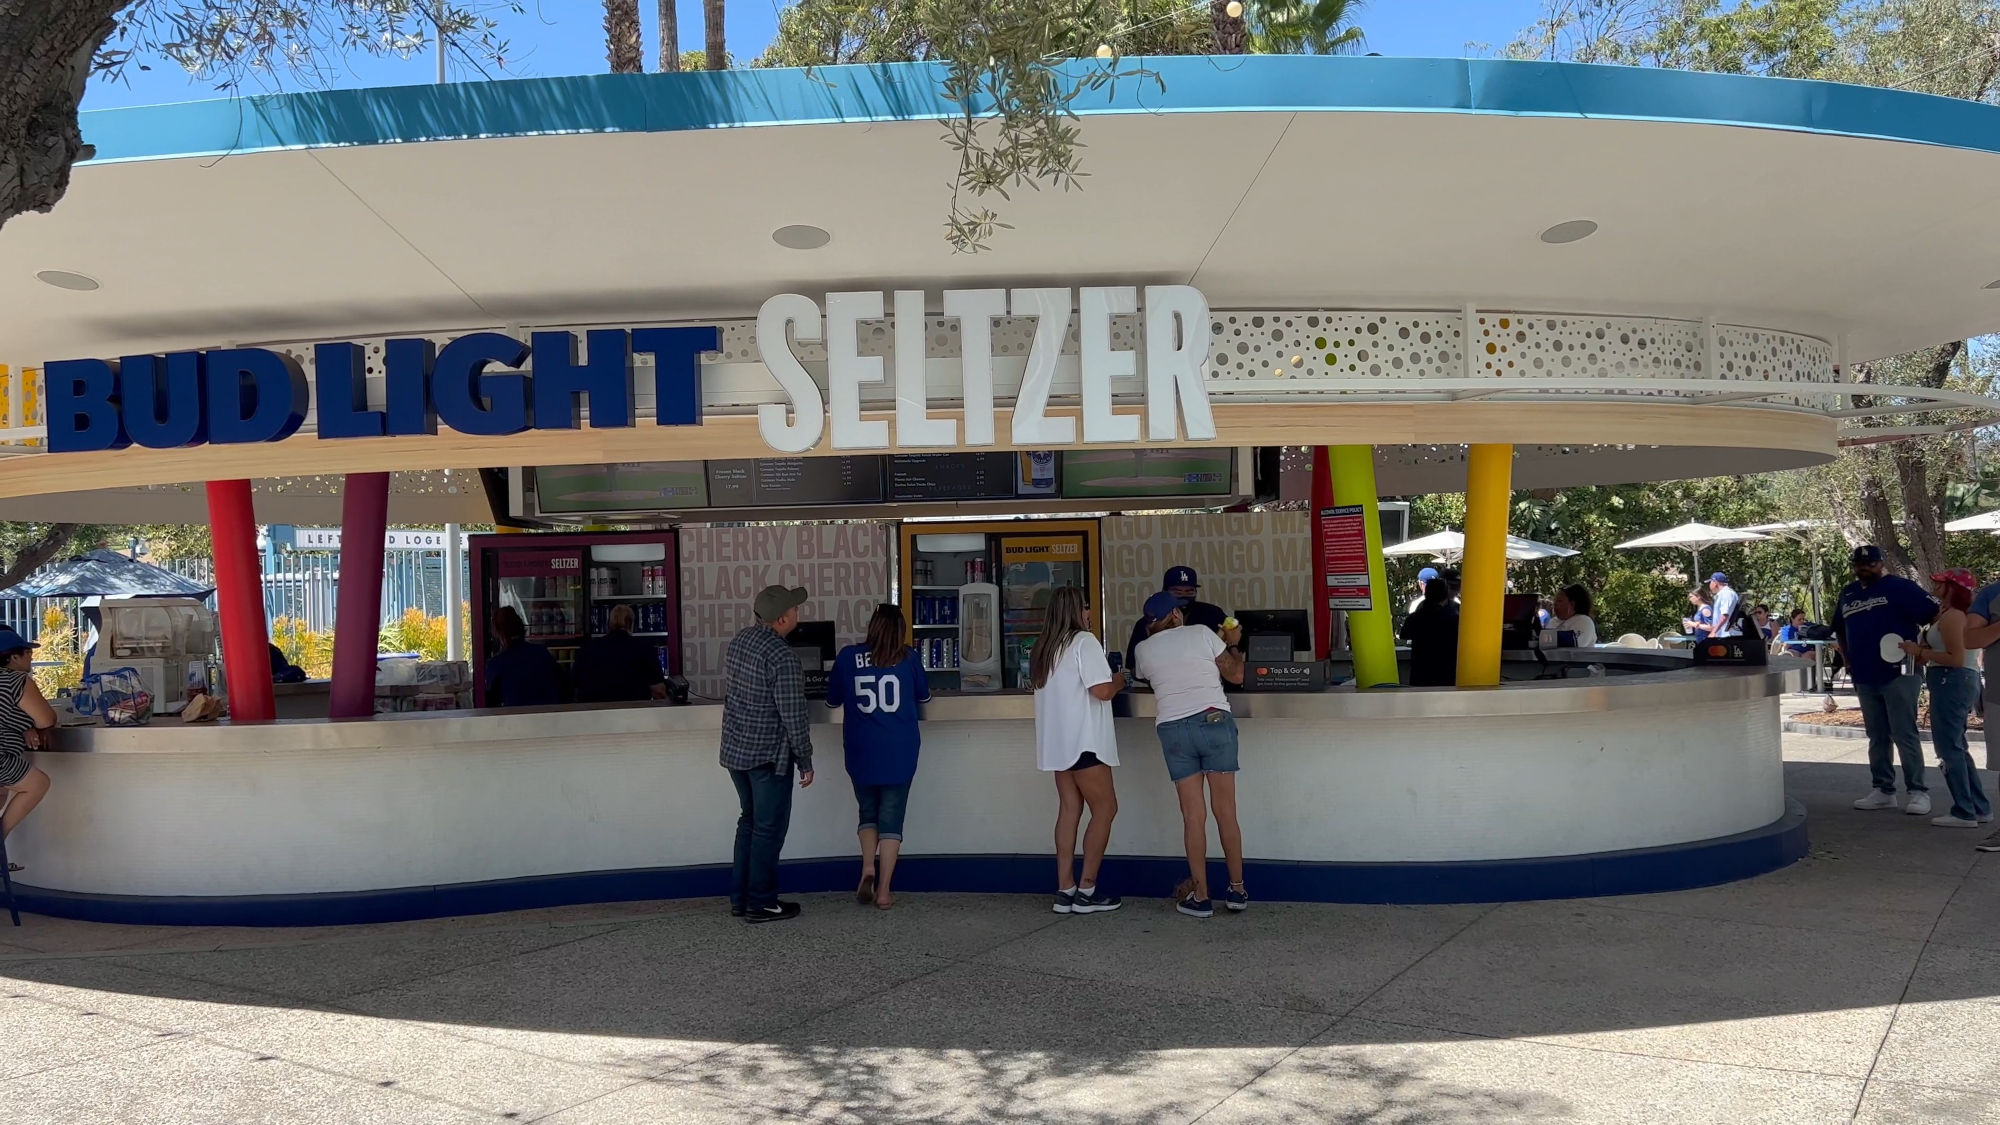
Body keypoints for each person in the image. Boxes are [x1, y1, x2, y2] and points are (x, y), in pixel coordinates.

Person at [1133, 590, 1248, 918]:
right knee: (1226, 812)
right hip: (1214, 722)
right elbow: (1236, 674)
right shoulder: (1202, 633)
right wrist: (1234, 642)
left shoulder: (1143, 650)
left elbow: (1148, 677)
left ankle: (1200, 896)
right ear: (1176, 615)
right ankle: (1237, 890)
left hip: (1173, 731)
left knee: (1193, 817)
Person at [719, 585, 817, 924]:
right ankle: (761, 903)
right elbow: (793, 715)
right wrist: (805, 760)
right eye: (796, 610)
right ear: (782, 618)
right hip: (767, 757)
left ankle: (740, 898)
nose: (799, 614)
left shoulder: (740, 641)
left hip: (736, 752)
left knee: (748, 822)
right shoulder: (782, 657)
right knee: (768, 830)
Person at [825, 603, 929, 910]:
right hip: (900, 750)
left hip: (860, 750)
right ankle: (884, 890)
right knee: (892, 819)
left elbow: (832, 702)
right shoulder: (909, 658)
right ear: (901, 630)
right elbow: (924, 697)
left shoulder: (847, 657)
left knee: (867, 813)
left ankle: (868, 867)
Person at [1033, 585, 1124, 916]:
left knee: (1069, 810)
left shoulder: (1044, 648)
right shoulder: (1084, 642)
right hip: (1086, 743)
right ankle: (1087, 890)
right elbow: (1101, 691)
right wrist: (1119, 679)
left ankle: (1064, 889)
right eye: (1086, 607)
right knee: (1105, 809)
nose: (1089, 613)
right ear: (1075, 610)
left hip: (1058, 744)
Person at [1838, 545, 1939, 815]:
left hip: (1899, 671)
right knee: (1877, 735)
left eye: (1871, 562)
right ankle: (1883, 789)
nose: (1865, 567)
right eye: (1860, 563)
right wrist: (1847, 658)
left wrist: (1923, 648)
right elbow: (1840, 628)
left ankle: (1918, 791)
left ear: (1881, 563)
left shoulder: (1900, 587)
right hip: (1864, 672)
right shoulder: (1848, 593)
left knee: (1904, 731)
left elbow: (1935, 615)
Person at [1904, 569, 1989, 829]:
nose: (1935, 584)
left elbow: (1956, 657)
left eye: (1941, 582)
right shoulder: (1951, 614)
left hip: (1951, 680)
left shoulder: (1953, 616)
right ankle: (1977, 807)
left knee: (1948, 747)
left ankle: (1964, 810)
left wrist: (1919, 651)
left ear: (1952, 587)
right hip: (1956, 680)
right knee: (1956, 746)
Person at [0, 629, 55, 866]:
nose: (31, 657)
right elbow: (46, 719)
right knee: (37, 784)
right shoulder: (16, 680)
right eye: (27, 652)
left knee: (2, 791)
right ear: (14, 657)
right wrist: (31, 724)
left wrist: (23, 725)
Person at [1126, 565, 1229, 667]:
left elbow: (1234, 647)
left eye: (1189, 591)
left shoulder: (1212, 613)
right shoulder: (1149, 622)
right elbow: (1133, 666)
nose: (1184, 596)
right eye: (1177, 592)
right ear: (1164, 592)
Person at [571, 605, 667, 703]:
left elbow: (574, 687)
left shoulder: (587, 649)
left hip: (594, 712)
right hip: (635, 711)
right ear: (631, 624)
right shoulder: (645, 648)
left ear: (608, 624)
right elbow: (658, 691)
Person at [483, 606, 565, 707]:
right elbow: (563, 688)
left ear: (497, 632)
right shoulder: (542, 653)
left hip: (514, 719)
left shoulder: (496, 665)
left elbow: (491, 704)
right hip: (548, 718)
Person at [1399, 577, 1460, 687]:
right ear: (1445, 597)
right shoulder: (1454, 619)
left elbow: (1404, 634)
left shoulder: (1416, 617)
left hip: (1421, 671)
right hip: (1447, 672)